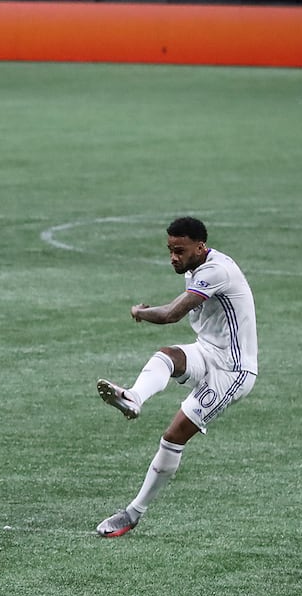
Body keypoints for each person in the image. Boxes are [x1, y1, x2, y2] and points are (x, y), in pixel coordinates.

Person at [94, 216, 258, 537]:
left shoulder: (215, 271)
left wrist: (139, 312)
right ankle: (133, 398)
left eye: (179, 251)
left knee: (172, 438)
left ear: (200, 247)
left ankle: (133, 513)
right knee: (166, 356)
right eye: (170, 250)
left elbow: (172, 314)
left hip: (233, 372)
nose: (173, 257)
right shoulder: (197, 266)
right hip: (208, 351)